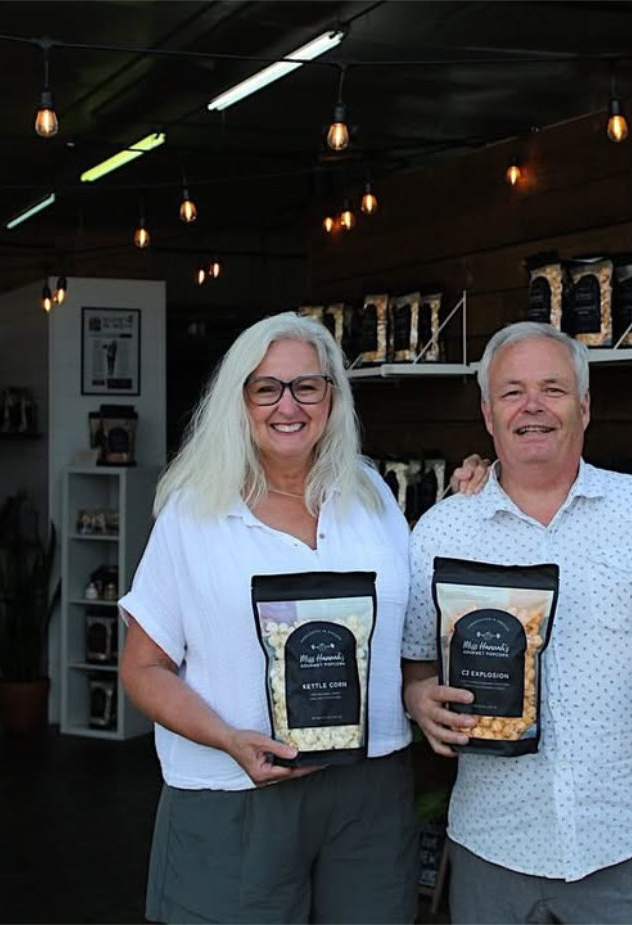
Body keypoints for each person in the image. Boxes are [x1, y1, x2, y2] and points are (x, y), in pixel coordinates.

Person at [117, 311, 484, 924]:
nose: (288, 406)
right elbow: (143, 668)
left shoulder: (371, 495)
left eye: (306, 386)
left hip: (369, 785)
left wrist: (479, 496)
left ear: (331, 397)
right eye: (267, 388)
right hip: (237, 791)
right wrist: (228, 739)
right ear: (239, 400)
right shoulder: (194, 512)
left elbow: (403, 635)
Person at [401, 321, 632, 925]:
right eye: (512, 392)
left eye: (553, 389)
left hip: (626, 844)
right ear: (488, 414)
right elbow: (416, 664)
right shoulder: (441, 531)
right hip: (494, 846)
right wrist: (418, 699)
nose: (533, 406)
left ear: (585, 407)